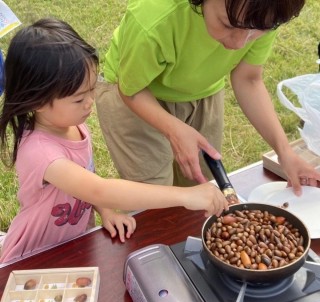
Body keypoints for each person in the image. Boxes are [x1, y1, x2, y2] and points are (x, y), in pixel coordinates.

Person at [0, 18, 229, 264]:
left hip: (73, 245)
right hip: (34, 255)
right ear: (37, 101)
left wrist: (105, 211)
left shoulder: (72, 125)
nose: (90, 102)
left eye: (91, 90)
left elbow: (86, 182)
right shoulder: (40, 152)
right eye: (79, 99)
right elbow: (99, 189)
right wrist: (185, 196)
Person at [95, 0, 320, 194]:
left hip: (202, 90)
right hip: (135, 94)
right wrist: (173, 129)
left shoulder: (261, 13)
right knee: (154, 196)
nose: (237, 43)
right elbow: (130, 89)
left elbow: (248, 79)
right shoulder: (155, 16)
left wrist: (284, 151)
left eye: (254, 31)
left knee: (201, 183)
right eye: (227, 24)